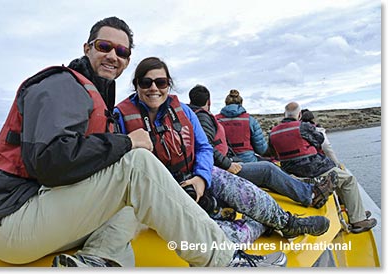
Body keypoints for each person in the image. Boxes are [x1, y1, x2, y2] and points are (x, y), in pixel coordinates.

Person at [0, 17, 282, 268]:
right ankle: (224, 261)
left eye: (122, 51)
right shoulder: (62, 84)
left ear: (127, 61)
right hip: (10, 222)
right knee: (137, 163)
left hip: (38, 218)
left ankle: (100, 260)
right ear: (87, 48)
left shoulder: (98, 98)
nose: (113, 55)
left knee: (132, 202)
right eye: (104, 46)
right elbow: (49, 161)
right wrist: (126, 142)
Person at [114, 57, 330, 251]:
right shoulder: (121, 117)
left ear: (168, 85)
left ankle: (287, 223)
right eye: (146, 82)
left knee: (241, 190)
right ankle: (260, 224)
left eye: (160, 83)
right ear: (136, 85)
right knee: (217, 242)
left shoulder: (184, 111)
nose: (154, 88)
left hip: (194, 177)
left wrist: (201, 178)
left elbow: (204, 148)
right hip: (162, 193)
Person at [187, 84, 337, 209]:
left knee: (269, 170)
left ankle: (305, 187)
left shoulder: (193, 116)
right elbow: (261, 149)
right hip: (226, 166)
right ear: (209, 102)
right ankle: (311, 194)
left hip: (223, 162)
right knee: (269, 168)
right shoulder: (239, 119)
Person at [269, 102, 377, 234]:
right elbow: (319, 140)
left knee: (340, 178)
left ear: (283, 114)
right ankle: (358, 220)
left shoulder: (273, 132)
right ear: (299, 114)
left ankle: (354, 210)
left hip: (291, 174)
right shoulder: (303, 127)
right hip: (314, 170)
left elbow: (272, 152)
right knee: (348, 179)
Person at [215, 89, 268, 162]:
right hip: (248, 161)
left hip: (224, 161)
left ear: (226, 103)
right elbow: (262, 149)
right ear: (241, 103)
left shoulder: (215, 120)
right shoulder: (250, 120)